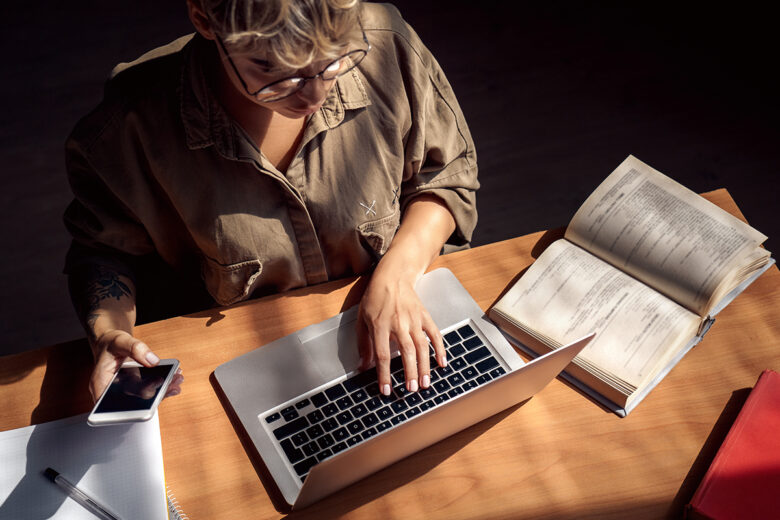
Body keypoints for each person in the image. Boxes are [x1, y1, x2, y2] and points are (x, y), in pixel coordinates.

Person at [64, 0, 479, 403]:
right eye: (275, 72)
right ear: (203, 18)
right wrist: (108, 332)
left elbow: (446, 175)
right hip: (245, 371)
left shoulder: (386, 43)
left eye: (334, 58)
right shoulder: (129, 129)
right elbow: (105, 253)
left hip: (400, 331)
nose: (313, 95)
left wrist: (398, 274)